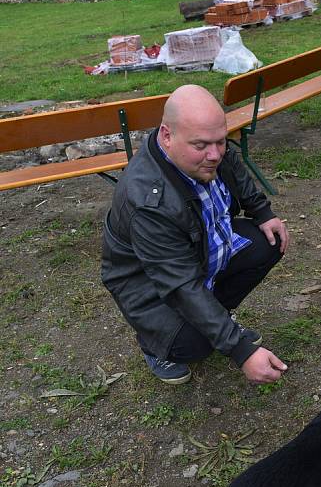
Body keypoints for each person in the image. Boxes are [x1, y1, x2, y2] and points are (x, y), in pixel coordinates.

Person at [101, 85, 290, 386]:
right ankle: (155, 347)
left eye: (220, 141)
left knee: (269, 241)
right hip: (149, 284)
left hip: (198, 247)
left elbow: (233, 166)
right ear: (167, 135)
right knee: (194, 345)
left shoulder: (206, 148)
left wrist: (262, 213)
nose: (214, 154)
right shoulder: (148, 200)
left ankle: (216, 319)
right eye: (201, 145)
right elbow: (178, 284)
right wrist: (241, 351)